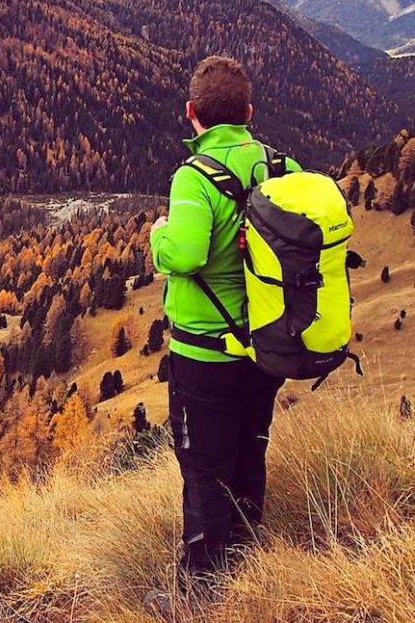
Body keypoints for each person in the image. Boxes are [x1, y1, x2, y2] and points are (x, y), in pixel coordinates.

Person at [146, 56, 300, 602]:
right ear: (249, 113)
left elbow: (182, 254)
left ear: (191, 114)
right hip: (265, 348)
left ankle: (200, 592)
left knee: (204, 466)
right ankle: (245, 561)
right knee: (248, 448)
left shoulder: (194, 177)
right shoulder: (281, 167)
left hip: (206, 353)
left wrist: (158, 234)